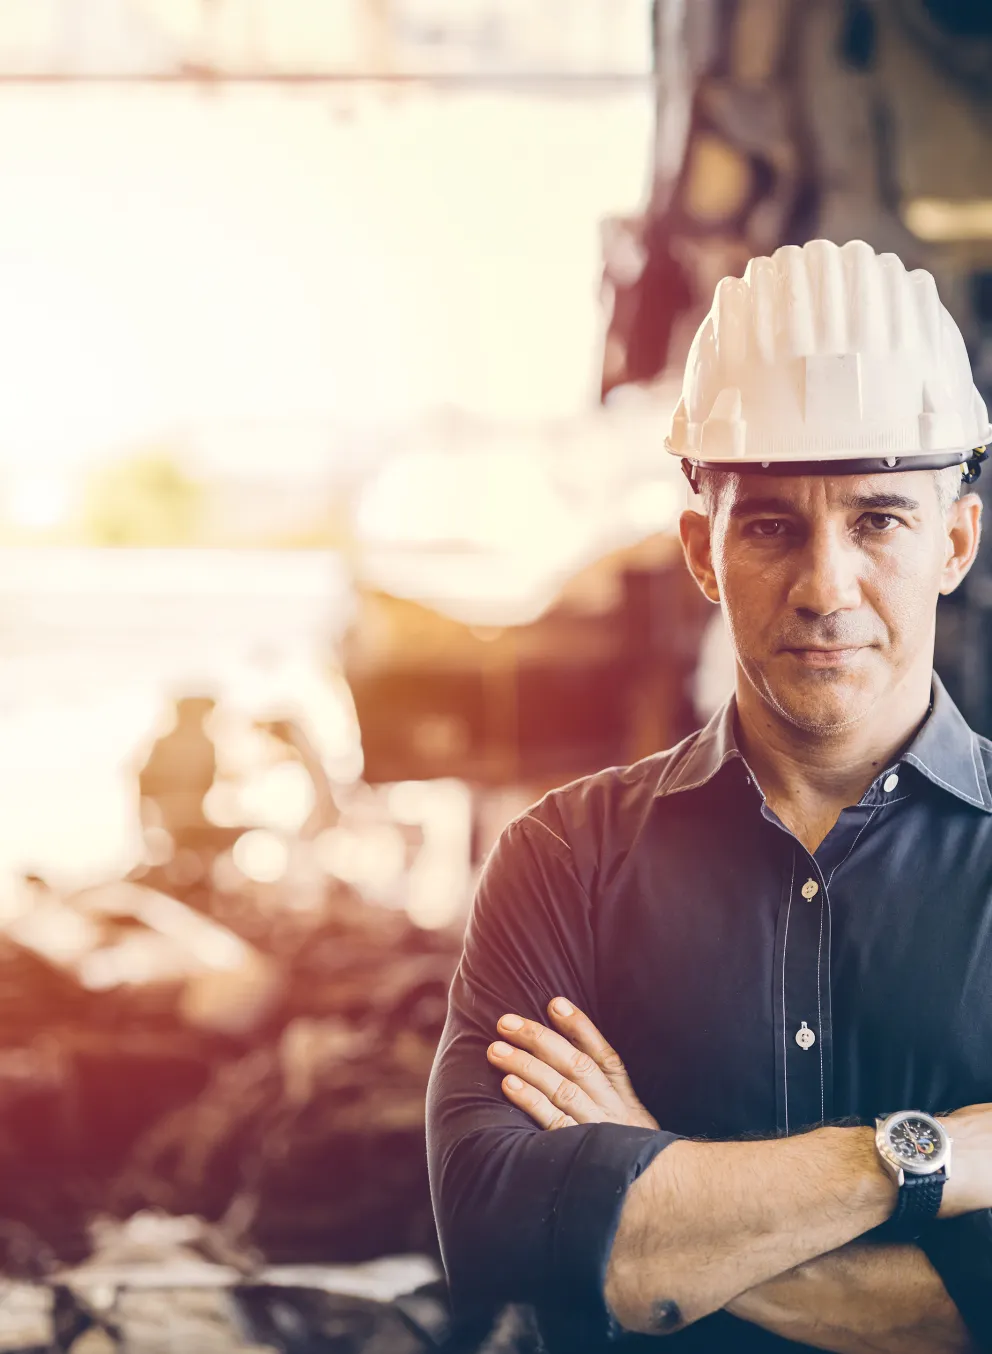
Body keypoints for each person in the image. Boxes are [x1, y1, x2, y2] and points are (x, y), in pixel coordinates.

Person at [425, 238, 992, 1352]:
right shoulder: (562, 859)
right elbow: (500, 1225)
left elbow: (605, 1256)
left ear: (954, 541)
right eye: (771, 525)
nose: (825, 588)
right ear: (700, 550)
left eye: (878, 520)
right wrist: (929, 1158)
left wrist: (645, 1203)